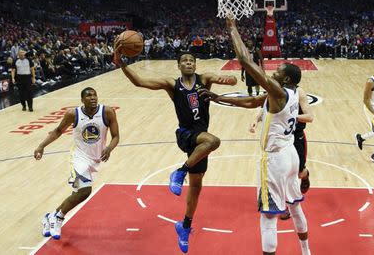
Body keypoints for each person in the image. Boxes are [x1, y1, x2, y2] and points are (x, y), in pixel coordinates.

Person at [200, 18, 310, 255]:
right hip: (291, 155)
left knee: (268, 216)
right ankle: (306, 251)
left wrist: (232, 27)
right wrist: (219, 98)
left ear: (287, 79)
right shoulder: (290, 93)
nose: (275, 71)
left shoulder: (278, 91)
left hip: (276, 160)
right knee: (295, 206)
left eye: (279, 71)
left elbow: (244, 61)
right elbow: (251, 101)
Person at [113, 44, 237, 253]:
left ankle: (185, 226)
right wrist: (122, 63)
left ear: (195, 64)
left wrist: (224, 80)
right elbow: (140, 82)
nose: (188, 63)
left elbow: (233, 80)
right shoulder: (172, 84)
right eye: (184, 61)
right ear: (178, 65)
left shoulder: (204, 79)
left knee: (196, 187)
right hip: (187, 135)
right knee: (214, 141)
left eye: (191, 60)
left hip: (200, 139)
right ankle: (180, 171)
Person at [34, 87, 120, 240]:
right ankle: (58, 219)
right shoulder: (73, 114)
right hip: (79, 157)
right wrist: (41, 146)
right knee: (85, 191)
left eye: (94, 94)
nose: (92, 97)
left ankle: (50, 216)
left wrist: (109, 148)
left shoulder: (107, 112)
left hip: (95, 159)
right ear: (82, 100)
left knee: (77, 194)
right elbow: (58, 131)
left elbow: (116, 136)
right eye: (88, 95)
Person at [249, 86, 314, 221]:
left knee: (298, 173)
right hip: (280, 141)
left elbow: (310, 117)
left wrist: (289, 116)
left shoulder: (299, 92)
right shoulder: (275, 91)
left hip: (295, 138)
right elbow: (265, 109)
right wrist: (255, 120)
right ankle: (283, 206)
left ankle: (305, 174)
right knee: (280, 174)